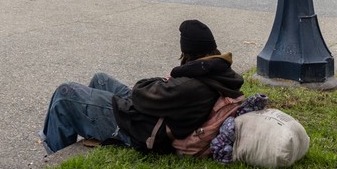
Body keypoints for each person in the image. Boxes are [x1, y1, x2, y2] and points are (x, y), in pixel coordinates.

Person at [39, 20, 244, 155]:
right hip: (158, 114)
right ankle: (90, 128)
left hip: (142, 129)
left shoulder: (189, 85)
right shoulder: (214, 72)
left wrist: (173, 75)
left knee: (65, 94)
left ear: (188, 54)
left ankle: (54, 156)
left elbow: (140, 92)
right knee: (100, 79)